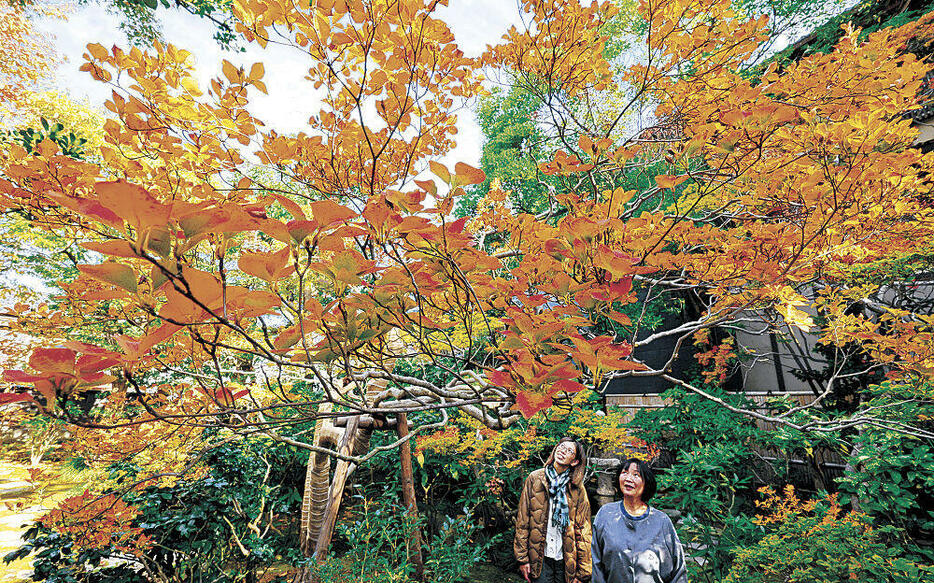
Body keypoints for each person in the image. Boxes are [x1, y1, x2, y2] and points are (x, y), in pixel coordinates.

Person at [591, 458, 687, 583]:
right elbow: (596, 564)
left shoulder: (662, 521)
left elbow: (678, 570)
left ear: (646, 482)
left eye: (636, 475)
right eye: (624, 473)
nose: (628, 478)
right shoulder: (606, 514)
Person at [514, 437, 593, 583]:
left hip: (566, 559)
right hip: (539, 557)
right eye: (561, 446)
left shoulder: (577, 488)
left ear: (575, 461)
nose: (562, 451)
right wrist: (522, 559)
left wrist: (584, 572)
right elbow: (523, 520)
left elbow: (583, 530)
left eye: (569, 450)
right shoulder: (535, 478)